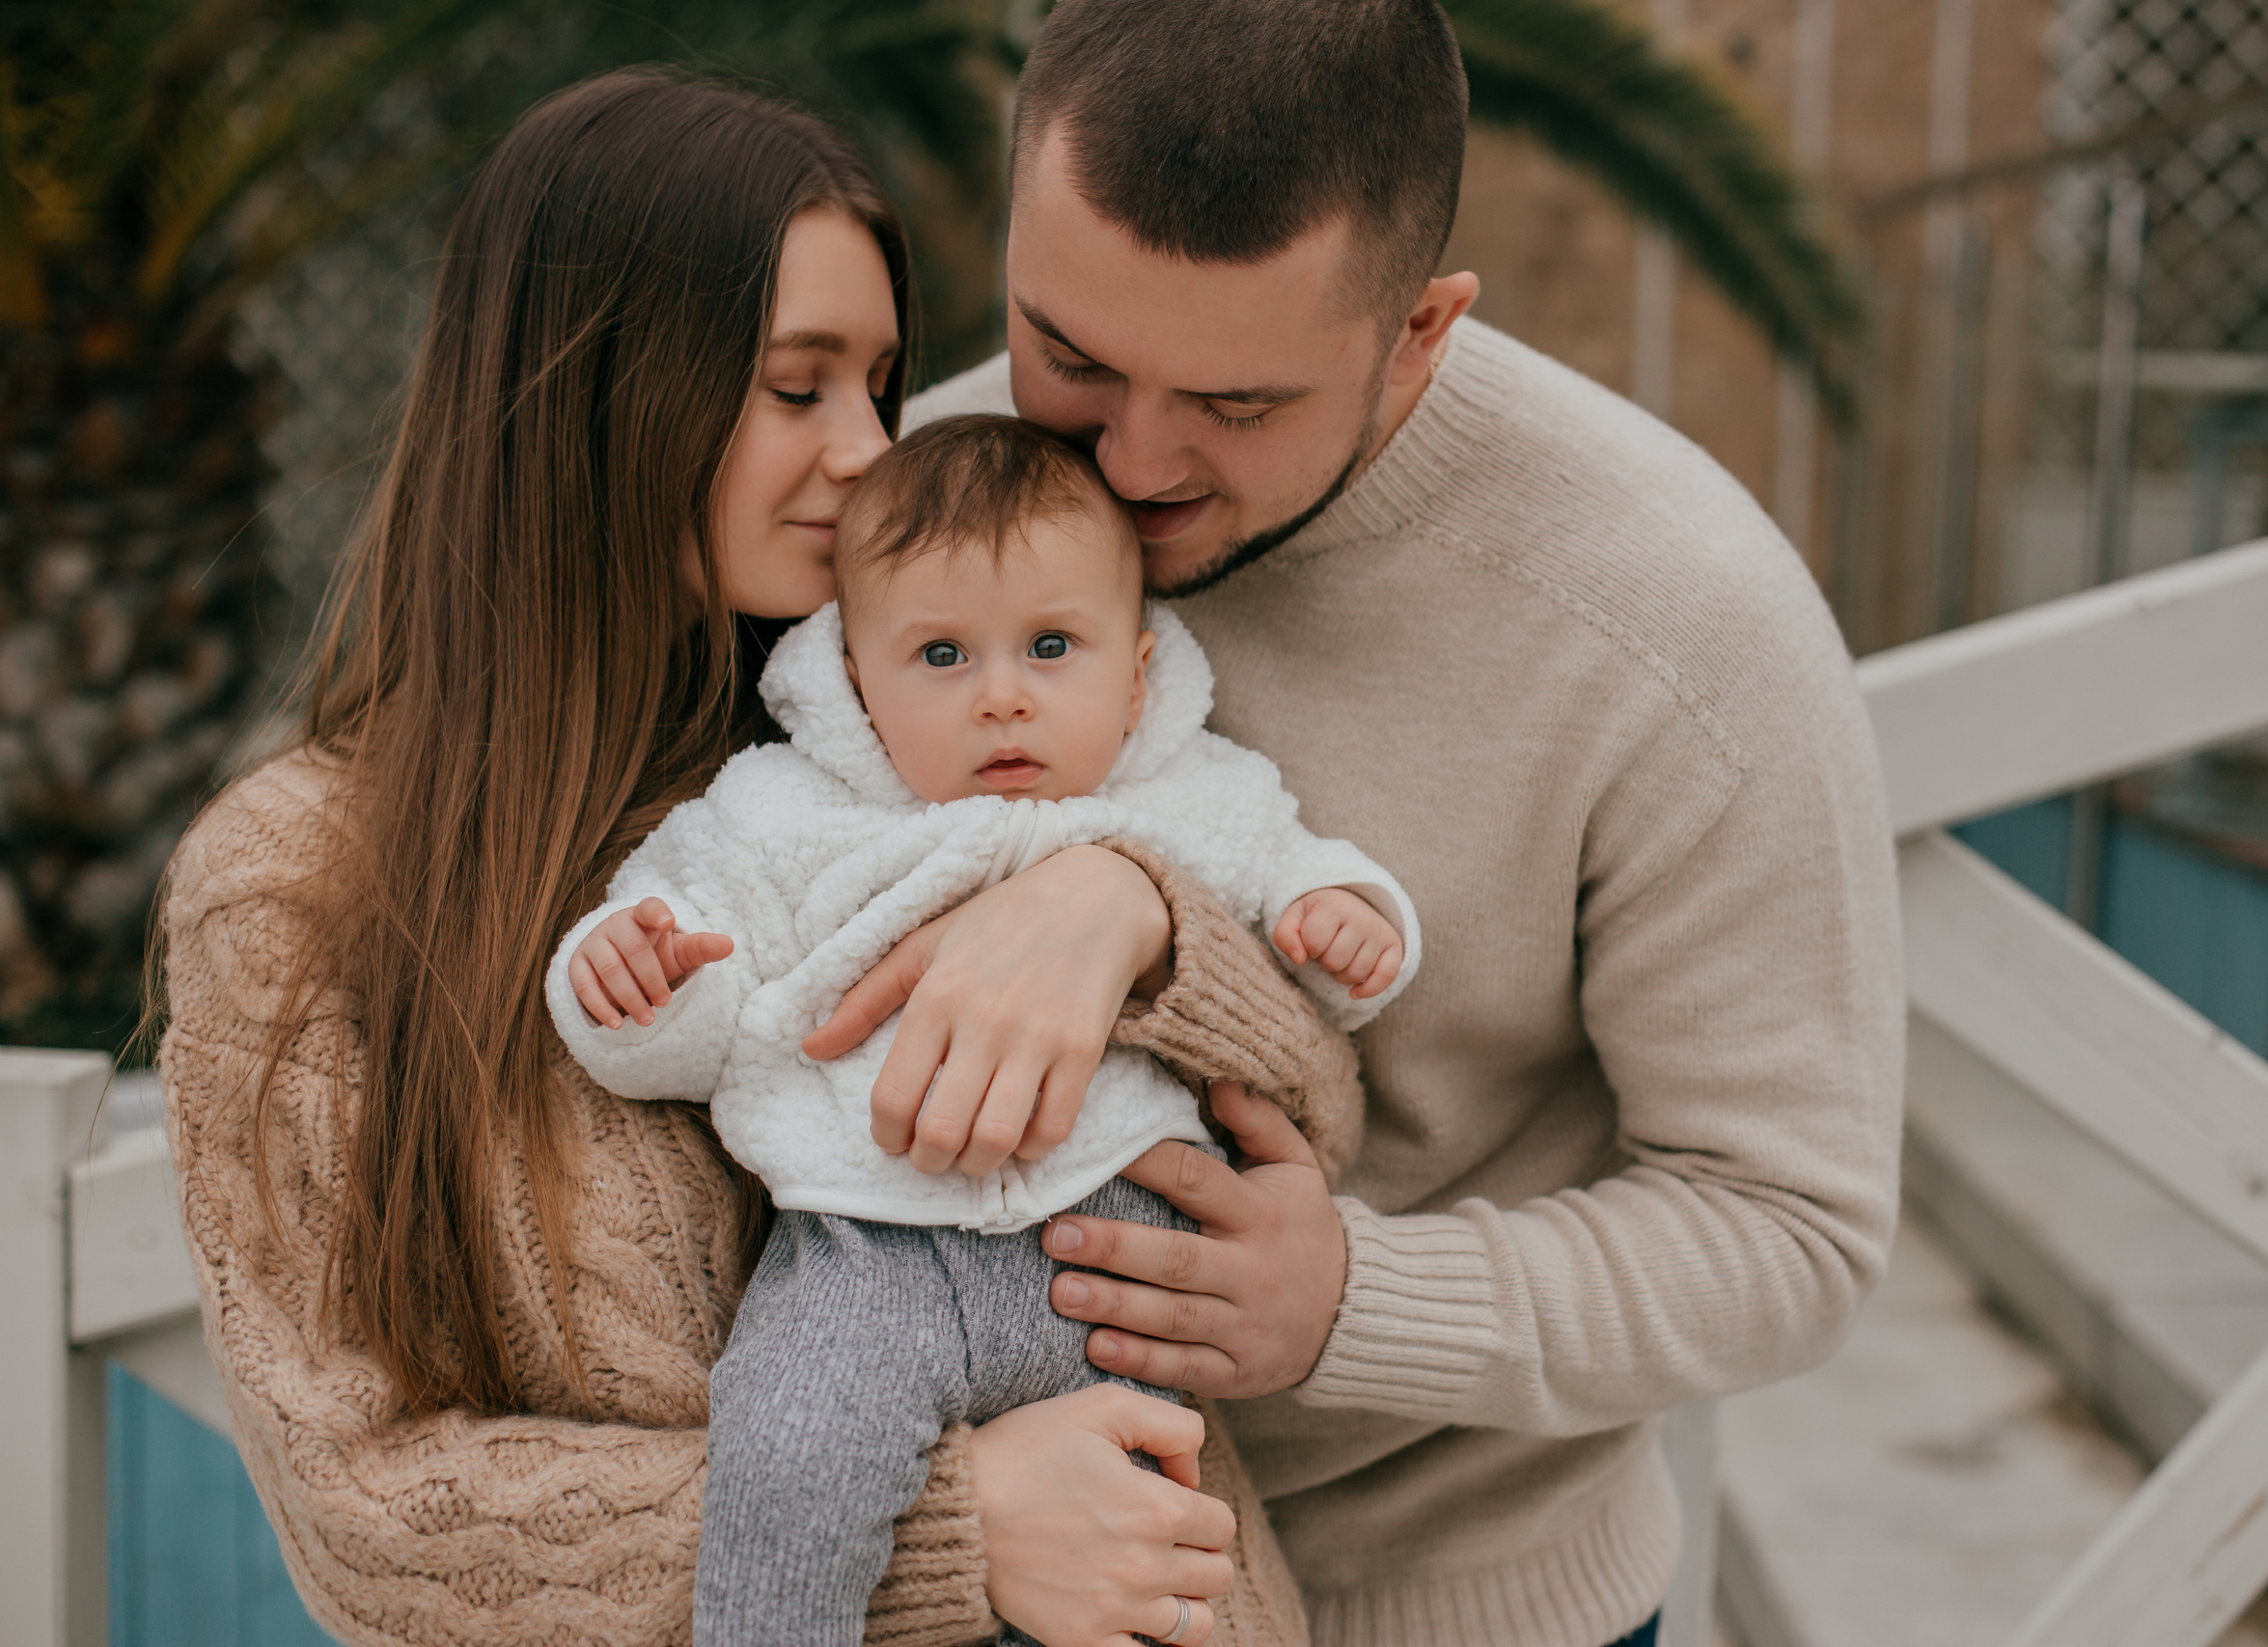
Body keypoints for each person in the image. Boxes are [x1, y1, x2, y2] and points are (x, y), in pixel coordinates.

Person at [154, 70, 1355, 1647]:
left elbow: (1315, 1118)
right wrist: (961, 1525)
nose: (871, 449)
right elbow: (366, 1512)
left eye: (878, 381)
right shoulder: (298, 882)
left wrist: (1129, 910)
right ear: (608, 392)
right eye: (800, 389)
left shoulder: (928, 728)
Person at [829, 3, 1906, 1645]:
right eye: (1073, 355)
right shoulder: (900, 508)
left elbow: (1792, 1228)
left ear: (1421, 331)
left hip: (1460, 1607)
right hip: (982, 1586)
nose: (1126, 459)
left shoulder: (1682, 619)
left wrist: (1351, 1305)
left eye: (1237, 403)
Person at [547, 413, 1417, 1646]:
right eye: (942, 655)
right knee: (787, 1458)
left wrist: (1349, 918)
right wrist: (635, 982)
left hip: (1120, 1261)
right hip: (870, 1256)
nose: (1002, 695)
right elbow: (693, 975)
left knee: (1143, 1562)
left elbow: (1296, 909)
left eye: (1051, 647)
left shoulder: (1192, 797)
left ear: (1136, 675)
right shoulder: (781, 814)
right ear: (854, 678)